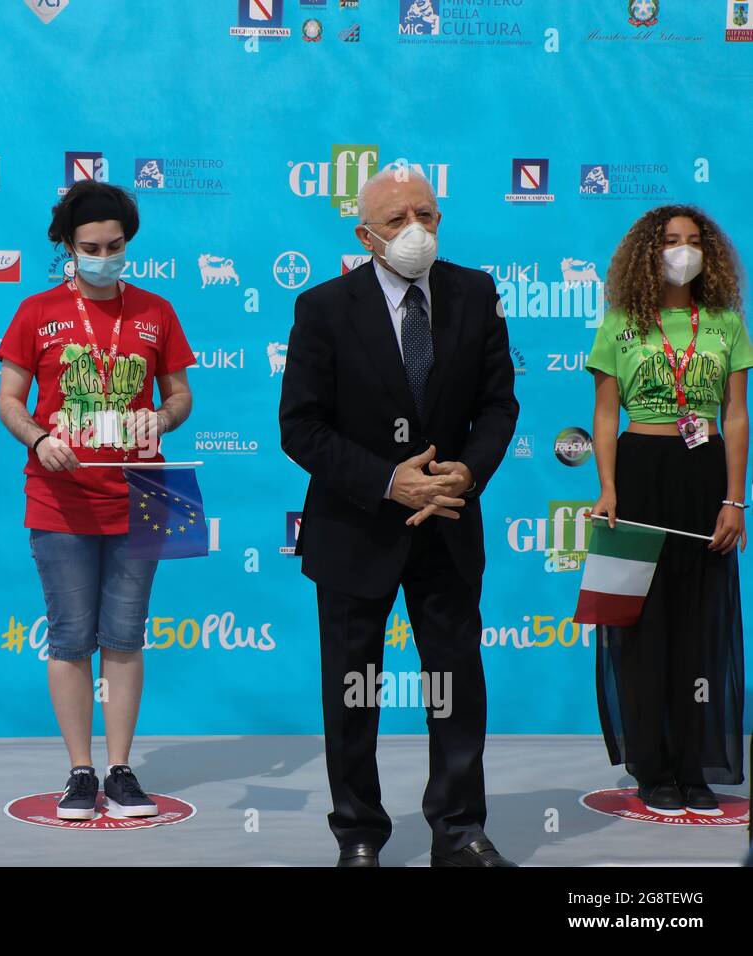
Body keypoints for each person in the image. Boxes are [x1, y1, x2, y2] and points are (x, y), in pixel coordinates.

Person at [278, 167, 519, 867]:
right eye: (398, 220)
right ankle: (358, 833)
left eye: (428, 214)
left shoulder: (475, 292)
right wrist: (389, 482)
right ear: (364, 235)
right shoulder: (322, 307)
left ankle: (459, 829)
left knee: (455, 685)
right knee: (353, 690)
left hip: (447, 521)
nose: (417, 230)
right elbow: (301, 427)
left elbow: (500, 405)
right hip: (356, 530)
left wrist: (467, 472)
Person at [0, 180, 195, 819]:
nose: (102, 256)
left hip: (142, 493)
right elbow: (8, 399)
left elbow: (181, 397)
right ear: (66, 246)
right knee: (69, 637)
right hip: (60, 497)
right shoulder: (35, 312)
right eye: (89, 246)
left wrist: (161, 421)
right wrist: (36, 436)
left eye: (114, 245)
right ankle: (81, 771)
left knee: (126, 635)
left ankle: (121, 767)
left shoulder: (156, 312)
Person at [587, 204, 747, 815]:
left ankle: (694, 765)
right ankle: (651, 767)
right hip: (639, 472)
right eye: (671, 240)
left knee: (697, 628)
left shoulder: (726, 324)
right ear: (648, 253)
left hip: (704, 477)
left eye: (694, 240)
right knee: (639, 627)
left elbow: (734, 416)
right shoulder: (621, 322)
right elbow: (606, 414)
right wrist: (607, 487)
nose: (683, 250)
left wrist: (733, 498)